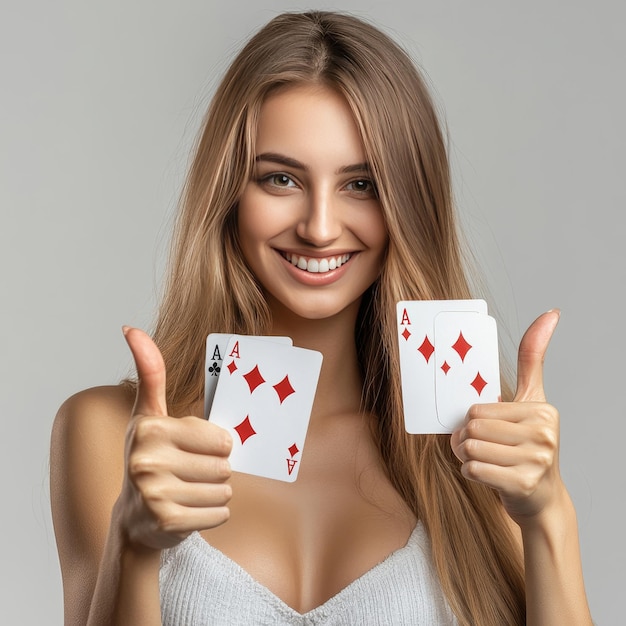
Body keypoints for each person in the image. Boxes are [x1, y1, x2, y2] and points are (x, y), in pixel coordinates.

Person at [50, 10, 593, 626]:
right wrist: (134, 543)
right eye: (281, 178)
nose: (320, 227)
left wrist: (549, 517)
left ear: (406, 206)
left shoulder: (478, 439)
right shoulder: (103, 430)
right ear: (228, 192)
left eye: (360, 184)